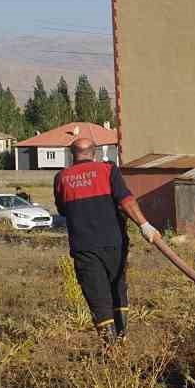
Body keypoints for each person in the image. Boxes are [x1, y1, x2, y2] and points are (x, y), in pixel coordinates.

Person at [53, 137, 160, 345]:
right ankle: (122, 340)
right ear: (94, 152)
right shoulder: (108, 170)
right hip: (114, 244)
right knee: (117, 288)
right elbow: (126, 200)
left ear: (71, 154)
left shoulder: (61, 178)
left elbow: (62, 209)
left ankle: (111, 350)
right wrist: (145, 225)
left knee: (97, 296)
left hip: (84, 247)